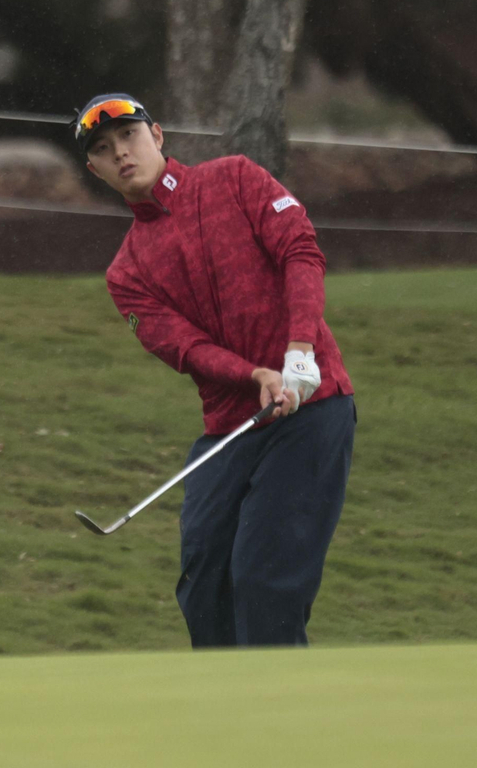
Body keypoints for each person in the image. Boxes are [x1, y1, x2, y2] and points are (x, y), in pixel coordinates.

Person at [76, 93, 355, 647]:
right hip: (230, 426)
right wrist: (255, 376)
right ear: (96, 170)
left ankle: (281, 718)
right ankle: (228, 715)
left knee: (263, 579)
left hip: (311, 409)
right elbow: (186, 348)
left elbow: (300, 250)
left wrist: (299, 351)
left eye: (130, 137)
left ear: (158, 135)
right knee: (204, 582)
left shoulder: (234, 178)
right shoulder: (126, 272)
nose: (122, 154)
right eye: (106, 151)